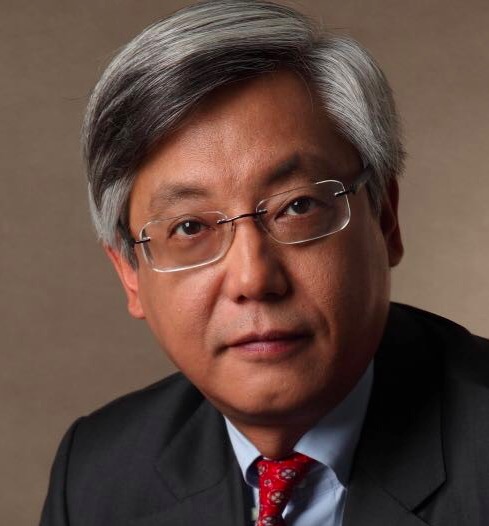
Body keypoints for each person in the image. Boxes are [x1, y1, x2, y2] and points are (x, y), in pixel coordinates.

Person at [40, 1, 489, 525]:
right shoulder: (97, 475)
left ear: (385, 220)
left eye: (297, 207)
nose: (253, 279)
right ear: (129, 274)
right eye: (190, 227)